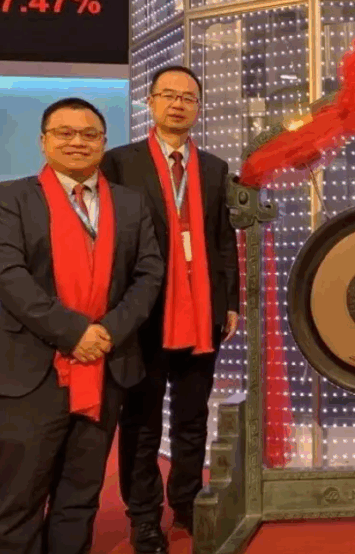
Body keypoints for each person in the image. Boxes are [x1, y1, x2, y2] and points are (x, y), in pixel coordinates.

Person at [0, 97, 164, 554]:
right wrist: (74, 332)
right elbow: (7, 275)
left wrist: (109, 332)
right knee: (18, 500)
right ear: (43, 141)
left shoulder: (130, 202)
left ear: (103, 142)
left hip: (106, 366)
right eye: (64, 133)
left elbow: (149, 274)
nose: (77, 141)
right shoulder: (12, 197)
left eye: (89, 134)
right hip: (32, 372)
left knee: (79, 499)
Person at [102, 65, 239, 553]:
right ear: (151, 103)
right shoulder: (120, 163)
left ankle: (187, 502)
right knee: (140, 421)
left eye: (188, 97)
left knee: (192, 415)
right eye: (168, 95)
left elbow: (223, 239)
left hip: (202, 311)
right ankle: (143, 517)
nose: (178, 104)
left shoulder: (215, 168)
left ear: (198, 107)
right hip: (144, 311)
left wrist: (230, 302)